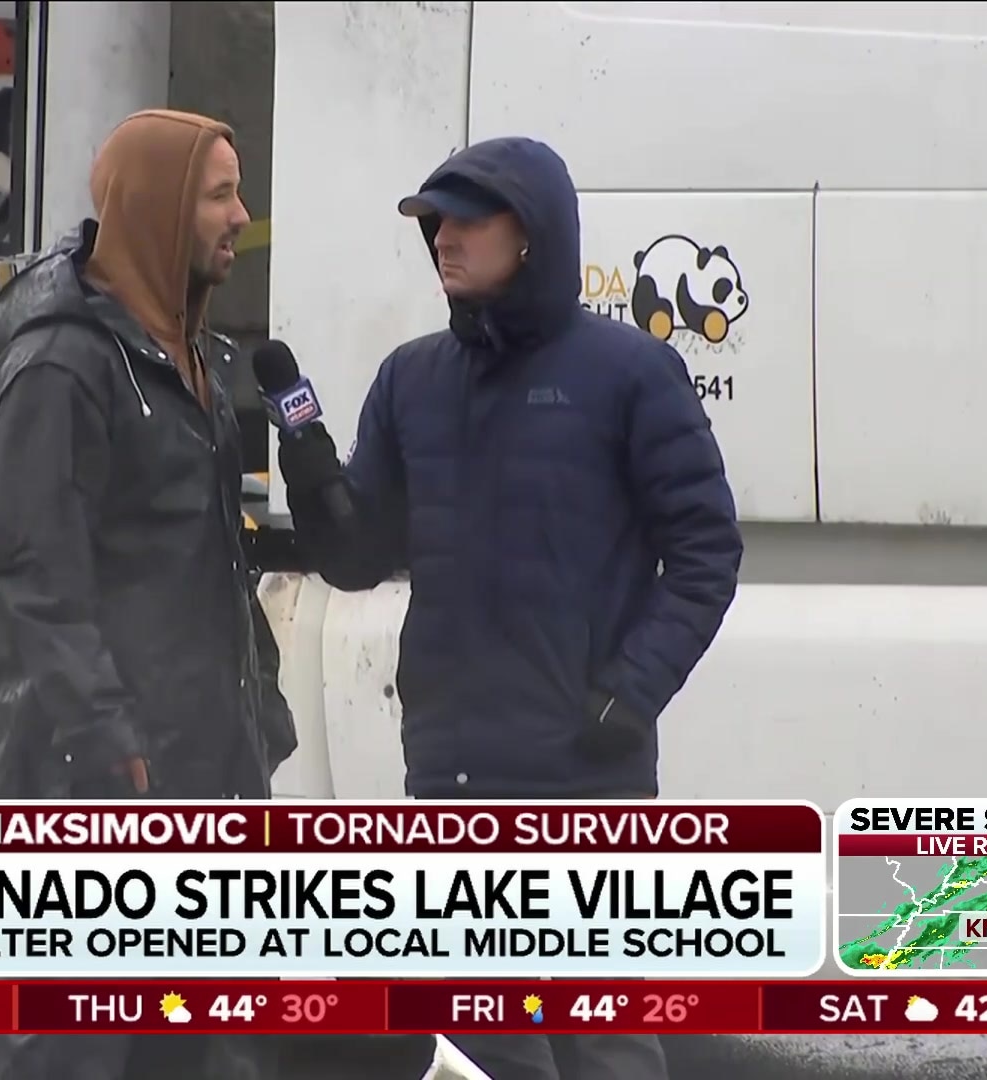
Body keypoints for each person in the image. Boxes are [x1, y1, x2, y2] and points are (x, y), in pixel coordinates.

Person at [275, 136, 744, 1080]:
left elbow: (706, 553)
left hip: (588, 775)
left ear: (531, 234)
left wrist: (630, 692)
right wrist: (315, 475)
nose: (442, 239)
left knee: (602, 1039)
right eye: (432, 224)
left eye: (464, 220)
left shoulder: (629, 371)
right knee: (483, 1047)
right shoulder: (411, 378)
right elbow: (358, 562)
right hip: (451, 775)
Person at [0, 109, 293, 1080]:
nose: (241, 216)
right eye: (220, 194)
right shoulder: (59, 366)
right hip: (96, 789)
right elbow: (40, 576)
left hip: (204, 774)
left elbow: (206, 558)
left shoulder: (192, 355)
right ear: (159, 208)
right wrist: (108, 739)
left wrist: (254, 710)